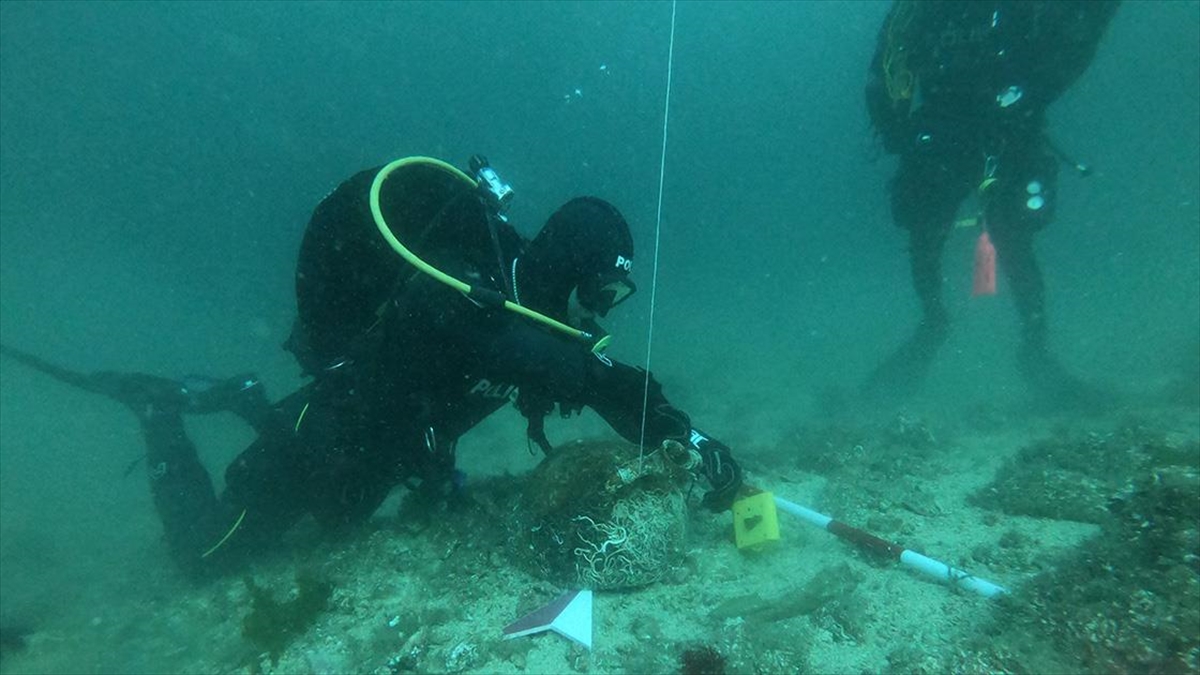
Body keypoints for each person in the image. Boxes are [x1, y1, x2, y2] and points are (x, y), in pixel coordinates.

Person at [1, 156, 743, 579]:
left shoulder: (539, 325)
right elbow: (522, 354)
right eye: (603, 289)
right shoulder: (463, 279)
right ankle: (160, 414)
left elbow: (600, 379)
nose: (605, 312)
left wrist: (688, 437)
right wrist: (583, 374)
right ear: (572, 267)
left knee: (340, 517)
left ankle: (245, 395)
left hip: (383, 455)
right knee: (211, 555)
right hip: (326, 431)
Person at [862, 1, 1120, 403]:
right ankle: (934, 322)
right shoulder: (920, 10)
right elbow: (887, 66)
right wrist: (894, 124)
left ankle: (1034, 348)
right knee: (927, 231)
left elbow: (1075, 36)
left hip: (1010, 126)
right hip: (944, 129)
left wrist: (1030, 98)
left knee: (1012, 236)